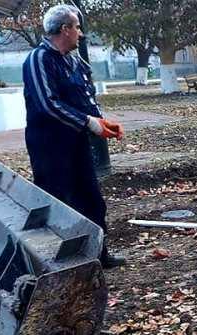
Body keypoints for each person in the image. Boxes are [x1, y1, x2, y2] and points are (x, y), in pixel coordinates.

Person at [22, 4, 125, 267]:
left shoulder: (74, 59)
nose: (80, 33)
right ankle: (59, 265)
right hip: (49, 147)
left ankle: (98, 256)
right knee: (58, 205)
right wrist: (89, 122)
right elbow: (48, 105)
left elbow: (85, 96)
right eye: (77, 27)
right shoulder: (39, 59)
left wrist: (102, 122)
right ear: (65, 29)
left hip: (76, 142)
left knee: (91, 199)